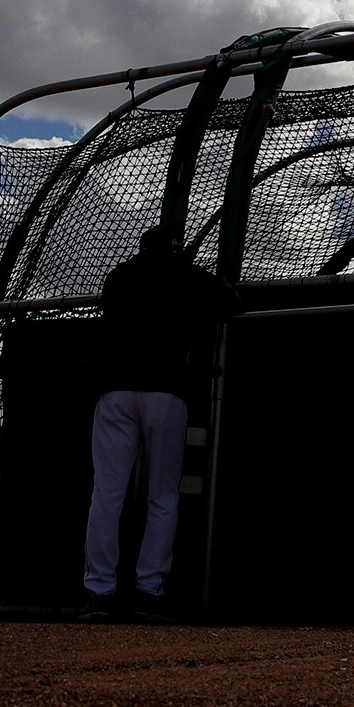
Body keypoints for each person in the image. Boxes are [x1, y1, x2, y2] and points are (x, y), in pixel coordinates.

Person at [80, 226, 237, 622]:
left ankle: (99, 592)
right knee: (162, 497)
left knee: (107, 494)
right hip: (167, 392)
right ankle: (148, 591)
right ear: (174, 250)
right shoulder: (188, 275)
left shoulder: (119, 276)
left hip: (114, 390)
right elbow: (232, 302)